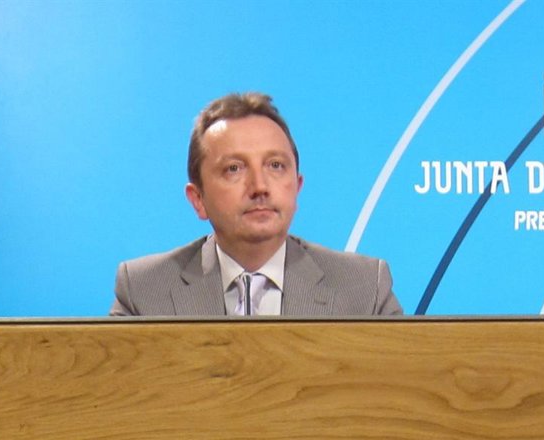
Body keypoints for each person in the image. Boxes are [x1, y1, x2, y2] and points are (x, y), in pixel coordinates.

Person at [110, 92, 402, 316]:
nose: (260, 187)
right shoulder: (144, 292)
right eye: (234, 169)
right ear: (197, 199)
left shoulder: (365, 289)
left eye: (275, 165)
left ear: (297, 186)